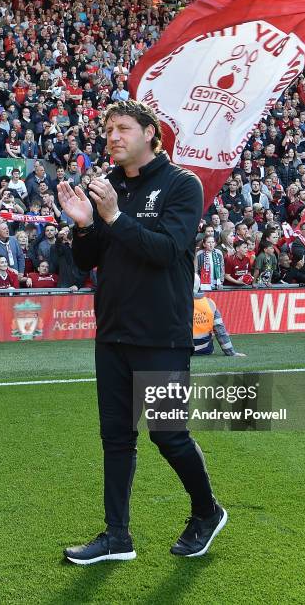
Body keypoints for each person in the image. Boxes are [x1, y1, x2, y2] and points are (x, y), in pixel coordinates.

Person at [58, 100, 226, 564]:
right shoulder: (107, 187)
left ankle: (206, 512)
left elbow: (167, 251)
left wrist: (112, 218)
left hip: (160, 334)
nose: (112, 136)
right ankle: (117, 536)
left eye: (123, 128)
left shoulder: (182, 185)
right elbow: (88, 261)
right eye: (108, 129)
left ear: (152, 133)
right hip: (112, 332)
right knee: (115, 437)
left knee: (168, 434)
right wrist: (86, 226)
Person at [193, 274, 245, 356]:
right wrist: (231, 353)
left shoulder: (175, 303)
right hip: (205, 349)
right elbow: (220, 331)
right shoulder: (210, 303)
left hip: (182, 350)